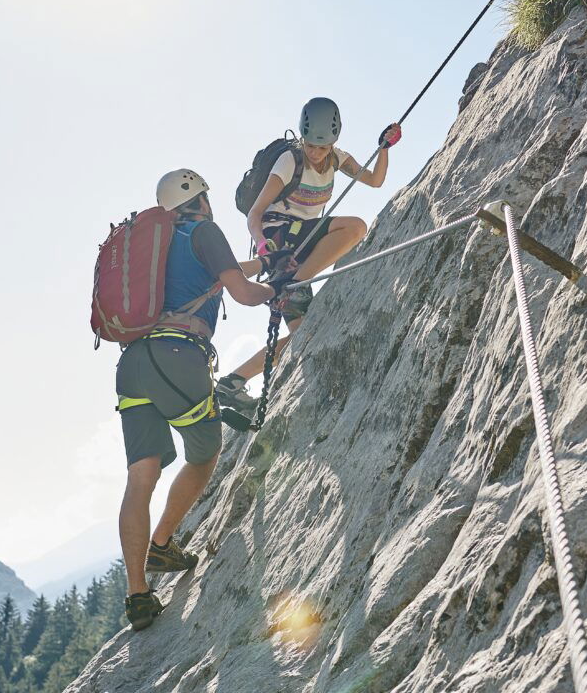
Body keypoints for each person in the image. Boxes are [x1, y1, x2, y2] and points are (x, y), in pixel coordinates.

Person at [118, 169, 289, 631]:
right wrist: (278, 288)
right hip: (178, 355)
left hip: (133, 364)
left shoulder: (155, 248)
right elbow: (241, 291)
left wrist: (266, 266)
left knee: (141, 479)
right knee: (206, 451)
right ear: (202, 200)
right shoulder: (204, 231)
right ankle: (162, 542)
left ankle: (137, 593)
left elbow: (226, 274)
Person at [215, 97, 400, 410]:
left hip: (301, 245)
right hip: (280, 237)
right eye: (311, 145)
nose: (315, 153)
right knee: (355, 227)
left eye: (322, 147)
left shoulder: (338, 159)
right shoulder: (289, 161)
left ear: (333, 142)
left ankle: (231, 383)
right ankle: (288, 281)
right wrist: (261, 243)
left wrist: (383, 149)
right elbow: (255, 214)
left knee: (305, 335)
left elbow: (374, 180)